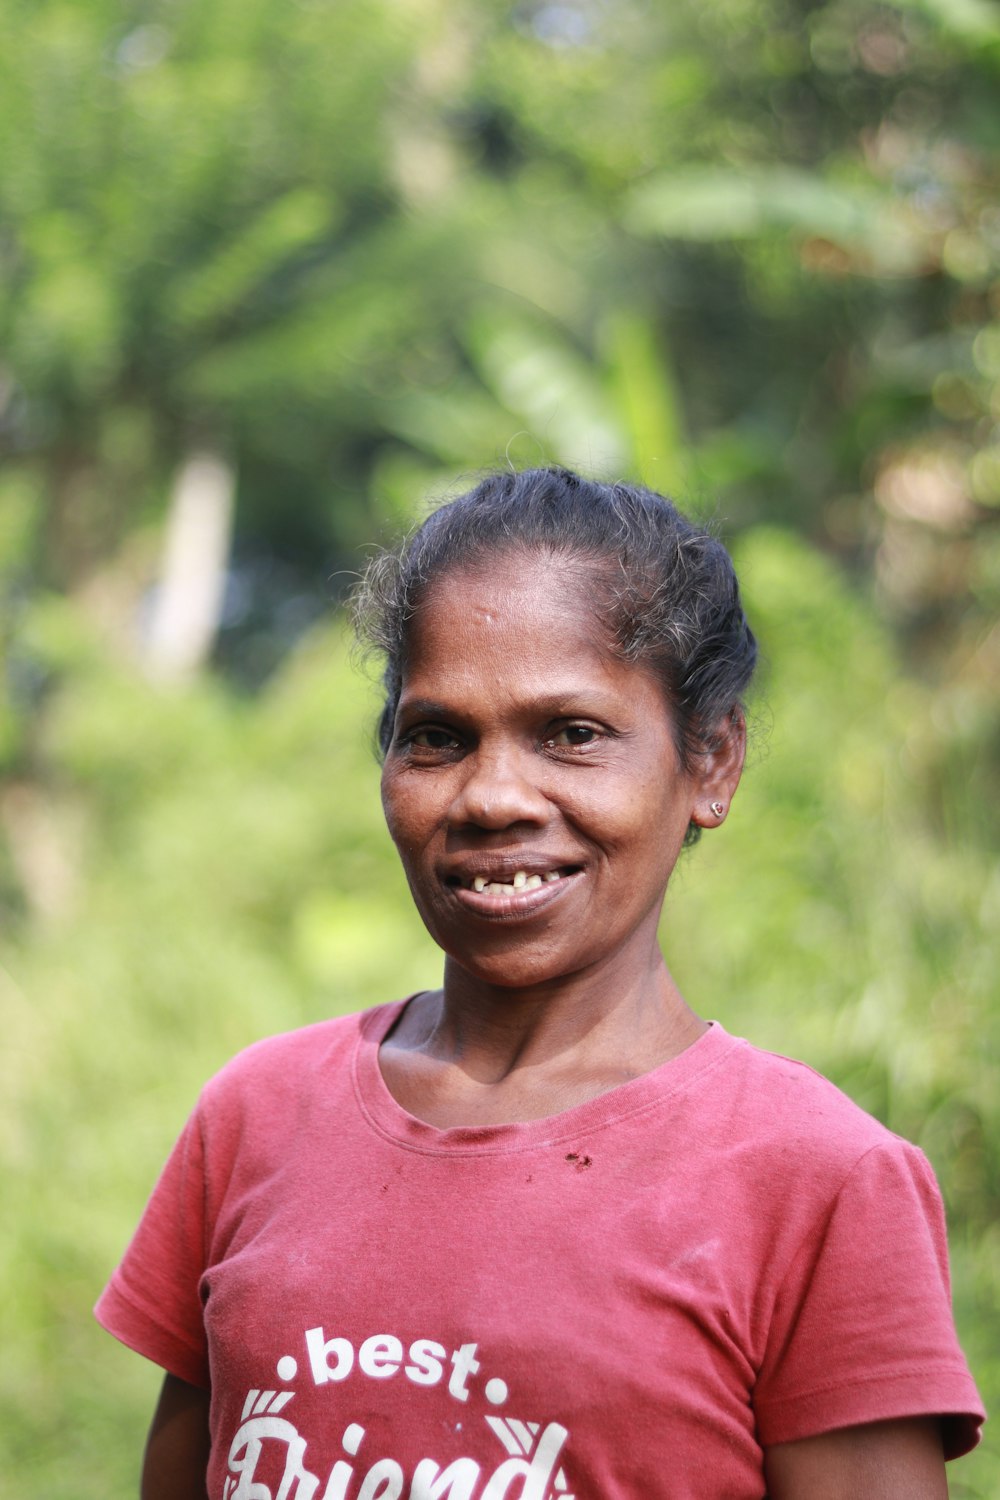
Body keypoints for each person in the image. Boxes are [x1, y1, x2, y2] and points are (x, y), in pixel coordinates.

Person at [97, 467, 984, 1500]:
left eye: (571, 734)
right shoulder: (255, 1117)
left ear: (711, 762)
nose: (493, 796)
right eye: (437, 737)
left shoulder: (816, 1181)